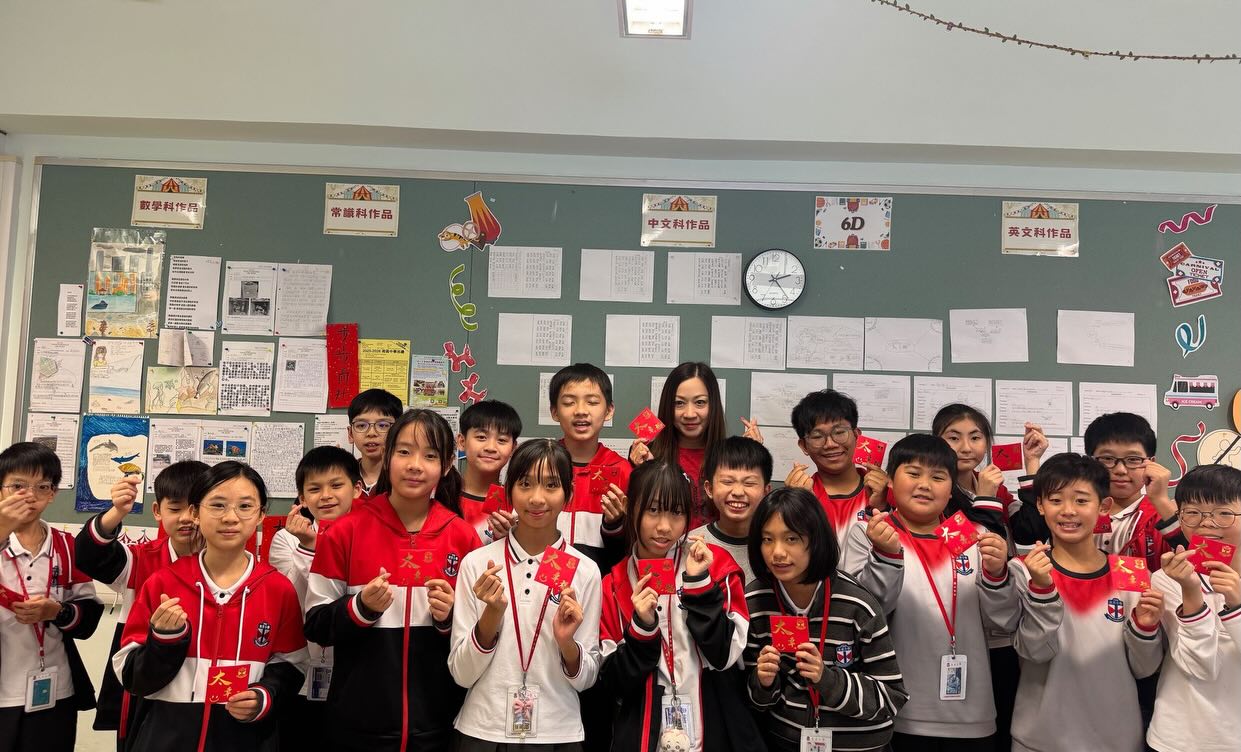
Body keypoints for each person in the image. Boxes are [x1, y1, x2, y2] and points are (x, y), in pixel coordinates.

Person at [305, 409, 480, 751]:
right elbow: (316, 625)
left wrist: (448, 618)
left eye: (430, 456)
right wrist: (360, 608)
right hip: (356, 727)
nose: (415, 465)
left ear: (447, 466)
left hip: (438, 726)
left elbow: (477, 640)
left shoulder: (462, 537)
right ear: (386, 458)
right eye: (404, 452)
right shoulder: (345, 532)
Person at [114, 461, 307, 751]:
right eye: (217, 505)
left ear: (260, 515)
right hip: (166, 739)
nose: (230, 518)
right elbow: (131, 677)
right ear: (195, 513)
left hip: (246, 740)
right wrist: (165, 641)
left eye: (245, 506)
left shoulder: (277, 589)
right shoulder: (163, 583)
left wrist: (264, 696)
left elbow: (292, 664)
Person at [979, 452, 1164, 752]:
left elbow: (1145, 667)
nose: (1068, 511)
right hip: (1040, 739)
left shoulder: (1131, 573)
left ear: (1103, 506)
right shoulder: (1023, 570)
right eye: (1056, 500)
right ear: (1040, 505)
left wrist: (1145, 627)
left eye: (1081, 500)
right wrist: (1041, 589)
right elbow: (1034, 651)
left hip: (1116, 739)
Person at [841, 434, 1000, 751]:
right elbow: (865, 615)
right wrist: (885, 556)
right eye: (913, 473)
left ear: (951, 488)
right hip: (896, 706)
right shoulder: (870, 533)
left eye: (938, 477)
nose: (925, 485)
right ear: (890, 480)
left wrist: (998, 575)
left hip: (972, 710)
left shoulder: (969, 535)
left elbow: (1003, 620)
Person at [449, 439, 601, 751]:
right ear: (509, 492)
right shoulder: (478, 564)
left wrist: (566, 644)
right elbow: (461, 675)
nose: (537, 498)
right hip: (483, 730)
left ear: (569, 494)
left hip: (558, 733)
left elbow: (586, 680)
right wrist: (491, 616)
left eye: (551, 485)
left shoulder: (584, 571)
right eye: (525, 484)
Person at [599, 461, 760, 752]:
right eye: (653, 510)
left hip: (714, 720)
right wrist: (643, 627)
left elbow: (725, 656)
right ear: (630, 507)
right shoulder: (613, 584)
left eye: (676, 512)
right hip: (642, 731)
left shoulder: (716, 565)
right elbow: (615, 684)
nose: (664, 527)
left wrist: (699, 586)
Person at [744, 487, 907, 751]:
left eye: (791, 539)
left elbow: (891, 698)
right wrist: (763, 682)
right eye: (767, 539)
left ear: (817, 540)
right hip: (786, 743)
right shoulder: (755, 600)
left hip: (858, 746)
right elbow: (757, 702)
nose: (777, 552)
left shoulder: (857, 604)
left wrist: (827, 679)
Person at [75, 459, 208, 744]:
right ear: (157, 511)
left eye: (195, 508)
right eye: (175, 508)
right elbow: (88, 556)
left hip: (204, 683)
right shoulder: (140, 559)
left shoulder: (227, 564)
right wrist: (116, 512)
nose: (186, 518)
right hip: (146, 686)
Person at [0, 443, 103, 752]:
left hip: (55, 693)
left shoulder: (67, 547)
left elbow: (89, 616)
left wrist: (56, 612)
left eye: (42, 486)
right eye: (18, 486)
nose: (29, 495)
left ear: (53, 493)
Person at [265, 446, 362, 749]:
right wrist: (308, 545)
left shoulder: (369, 536)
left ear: (356, 489)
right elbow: (295, 596)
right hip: (303, 666)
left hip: (357, 670)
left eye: (336, 485)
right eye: (315, 489)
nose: (326, 496)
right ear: (302, 498)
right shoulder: (286, 539)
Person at [1146, 464, 1241, 752]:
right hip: (1178, 738)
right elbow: (1200, 667)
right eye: (1193, 512)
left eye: (1224, 513)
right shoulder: (1168, 579)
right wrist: (1190, 590)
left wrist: (1236, 605)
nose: (1207, 523)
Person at [630, 362, 729, 530]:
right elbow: (637, 521)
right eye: (679, 403)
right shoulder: (648, 455)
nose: (689, 414)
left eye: (700, 402)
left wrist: (752, 458)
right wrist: (647, 470)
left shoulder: (729, 457)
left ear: (713, 405)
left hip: (715, 547)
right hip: (665, 546)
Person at [785, 390, 888, 547]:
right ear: (804, 446)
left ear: (857, 436)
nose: (830, 444)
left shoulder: (884, 491)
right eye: (817, 436)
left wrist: (883, 506)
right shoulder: (801, 495)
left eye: (839, 432)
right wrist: (794, 506)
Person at [689, 435, 772, 584]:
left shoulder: (777, 546)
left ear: (766, 491)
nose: (738, 492)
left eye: (749, 483)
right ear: (709, 489)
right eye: (727, 482)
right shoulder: (689, 545)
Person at [347, 388, 403, 497]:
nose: (371, 433)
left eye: (383, 425)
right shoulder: (342, 478)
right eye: (361, 425)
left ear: (399, 432)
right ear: (350, 434)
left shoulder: (406, 478)